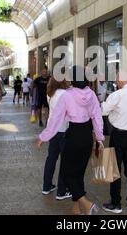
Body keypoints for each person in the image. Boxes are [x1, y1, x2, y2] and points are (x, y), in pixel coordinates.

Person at [37, 66, 104, 215]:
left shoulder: (67, 95)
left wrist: (44, 137)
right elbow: (97, 117)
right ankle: (76, 208)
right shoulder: (92, 94)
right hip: (87, 136)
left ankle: (86, 204)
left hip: (73, 135)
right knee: (78, 173)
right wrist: (99, 138)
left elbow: (56, 118)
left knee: (67, 172)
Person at [101, 73, 127, 214]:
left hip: (118, 135)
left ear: (120, 80)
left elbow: (103, 110)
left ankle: (116, 204)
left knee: (115, 170)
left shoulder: (116, 95)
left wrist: (113, 114)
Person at [42, 77, 71, 200]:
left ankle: (46, 186)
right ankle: (61, 191)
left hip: (52, 129)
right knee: (65, 161)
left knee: (51, 158)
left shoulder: (50, 94)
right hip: (64, 129)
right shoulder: (66, 94)